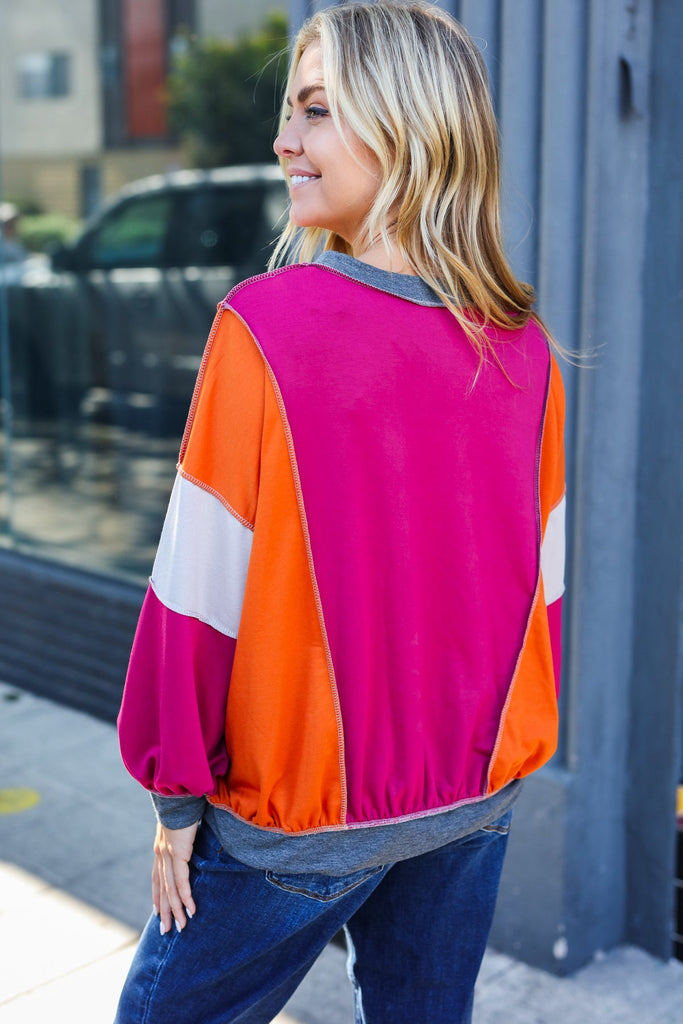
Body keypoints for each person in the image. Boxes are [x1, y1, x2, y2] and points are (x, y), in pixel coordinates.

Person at [114, 3, 566, 1022]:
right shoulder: (523, 349)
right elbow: (536, 598)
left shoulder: (265, 327)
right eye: (289, 111)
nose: (282, 140)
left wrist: (173, 796)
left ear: (405, 128)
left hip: (296, 819)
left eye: (314, 111)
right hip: (470, 806)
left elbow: (195, 594)